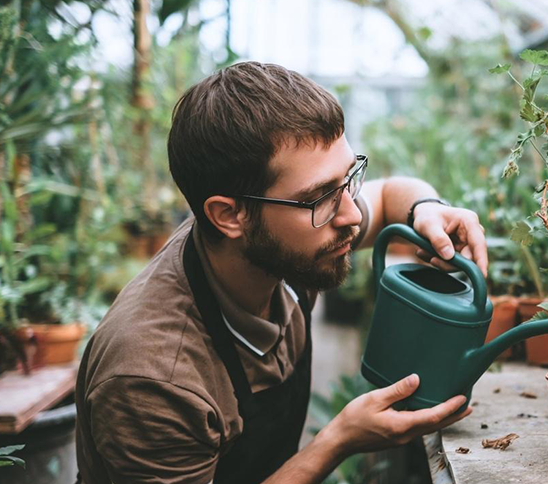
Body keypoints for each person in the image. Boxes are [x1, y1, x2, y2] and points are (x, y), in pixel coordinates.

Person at [75, 61, 489, 484]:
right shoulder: (154, 377)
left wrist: (429, 210)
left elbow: (385, 198)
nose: (350, 214)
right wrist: (338, 441)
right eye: (319, 197)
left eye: (348, 179)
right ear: (229, 216)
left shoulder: (283, 244)